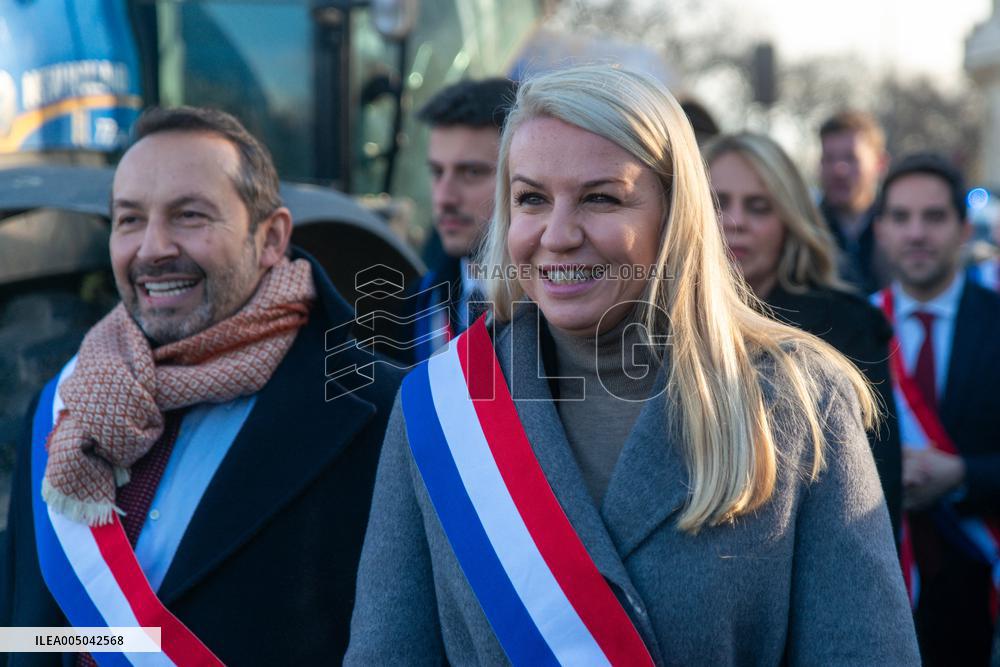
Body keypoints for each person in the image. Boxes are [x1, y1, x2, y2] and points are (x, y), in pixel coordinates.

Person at [345, 65, 919, 665]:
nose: (558, 234)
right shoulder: (440, 408)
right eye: (531, 198)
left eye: (601, 198)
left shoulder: (798, 398)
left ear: (674, 215)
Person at [0, 107, 401, 665]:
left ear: (271, 238)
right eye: (129, 220)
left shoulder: (382, 414)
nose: (153, 248)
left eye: (190, 216)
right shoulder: (62, 404)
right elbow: (27, 632)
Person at [704, 131, 903, 541]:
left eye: (758, 207)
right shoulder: (653, 322)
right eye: (717, 203)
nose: (734, 222)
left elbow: (872, 496)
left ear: (789, 220)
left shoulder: (848, 327)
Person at [872, 152, 1000, 667]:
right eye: (901, 217)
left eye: (934, 217)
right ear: (880, 228)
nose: (916, 233)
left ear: (964, 228)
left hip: (981, 594)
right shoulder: (852, 328)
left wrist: (964, 473)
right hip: (884, 595)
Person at [407, 77, 517, 362]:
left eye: (471, 172)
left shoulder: (574, 314)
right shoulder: (410, 311)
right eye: (437, 172)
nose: (444, 197)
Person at [818, 110, 891, 293]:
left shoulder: (899, 230)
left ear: (880, 163)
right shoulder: (804, 231)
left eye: (851, 158)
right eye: (829, 158)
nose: (838, 170)